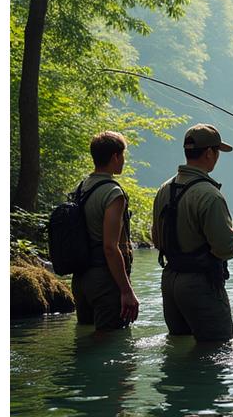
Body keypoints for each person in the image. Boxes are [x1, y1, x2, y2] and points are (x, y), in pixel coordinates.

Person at [152, 123, 233, 343]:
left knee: (178, 348)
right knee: (217, 349)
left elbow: (157, 240)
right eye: (217, 152)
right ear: (208, 153)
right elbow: (224, 249)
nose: (217, 157)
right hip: (200, 285)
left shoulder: (164, 189)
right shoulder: (210, 195)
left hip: (170, 282)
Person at [71, 131, 139, 330]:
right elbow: (110, 247)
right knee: (111, 345)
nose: (123, 161)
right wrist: (126, 291)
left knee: (85, 344)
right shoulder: (113, 193)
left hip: (80, 280)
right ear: (115, 157)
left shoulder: (81, 188)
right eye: (123, 156)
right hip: (104, 281)